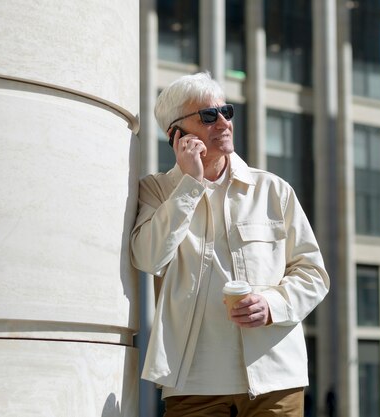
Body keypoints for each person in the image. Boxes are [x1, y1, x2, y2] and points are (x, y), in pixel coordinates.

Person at [131, 71, 330, 416]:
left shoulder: (273, 190)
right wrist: (190, 184)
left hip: (275, 379)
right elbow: (149, 258)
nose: (223, 122)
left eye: (227, 112)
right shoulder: (157, 191)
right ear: (176, 135)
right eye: (208, 116)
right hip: (193, 381)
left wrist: (272, 305)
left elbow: (313, 273)